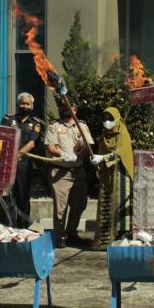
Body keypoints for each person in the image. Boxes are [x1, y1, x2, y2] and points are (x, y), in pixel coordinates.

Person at [45, 100, 94, 248]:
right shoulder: (54, 126)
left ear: (74, 108)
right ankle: (60, 237)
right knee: (61, 208)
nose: (63, 109)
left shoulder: (82, 125)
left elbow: (89, 146)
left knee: (80, 204)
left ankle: (71, 232)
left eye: (67, 107)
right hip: (60, 172)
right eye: (61, 107)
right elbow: (51, 147)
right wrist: (64, 154)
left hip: (78, 171)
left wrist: (81, 151)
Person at [91, 107, 133, 250]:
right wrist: (98, 166)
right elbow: (100, 151)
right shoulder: (105, 134)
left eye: (110, 118)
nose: (107, 122)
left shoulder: (123, 132)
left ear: (116, 118)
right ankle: (104, 238)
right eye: (104, 119)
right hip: (107, 172)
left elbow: (120, 153)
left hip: (121, 173)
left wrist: (102, 158)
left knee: (121, 202)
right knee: (106, 203)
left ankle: (123, 234)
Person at [0, 92, 43, 228]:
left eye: (27, 104)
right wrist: (10, 157)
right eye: (22, 103)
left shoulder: (36, 123)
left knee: (23, 195)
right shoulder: (8, 119)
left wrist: (17, 155)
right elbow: (2, 137)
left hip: (24, 165)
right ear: (18, 104)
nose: (24, 106)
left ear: (32, 105)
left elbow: (32, 143)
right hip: (7, 163)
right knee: (5, 194)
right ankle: (6, 224)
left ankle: (23, 226)